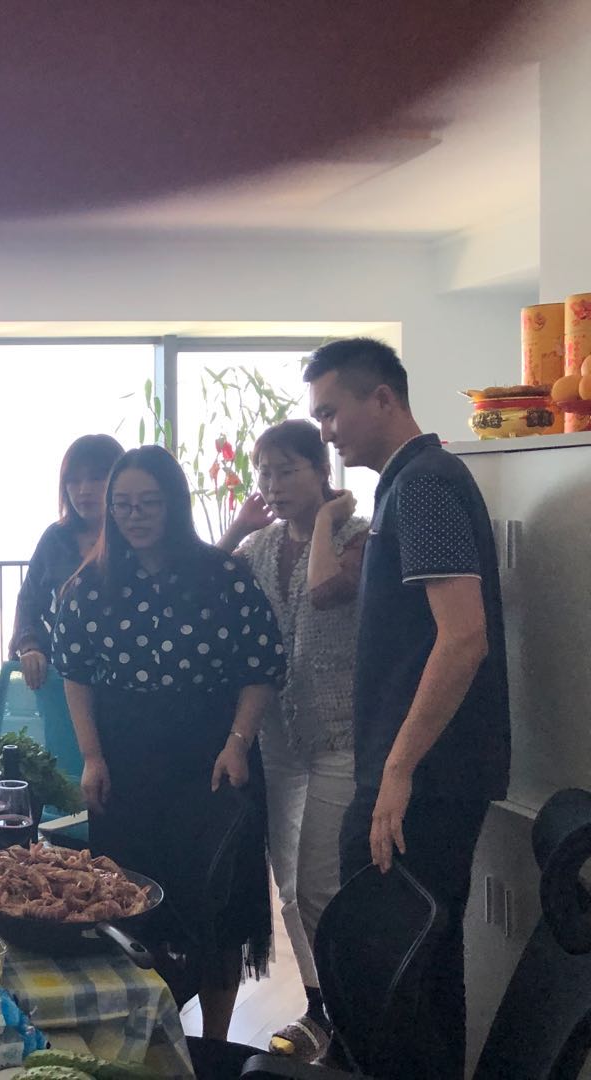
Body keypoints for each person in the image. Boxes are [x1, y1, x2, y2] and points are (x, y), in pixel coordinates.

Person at [305, 338, 508, 1080]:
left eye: (332, 411)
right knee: (421, 971)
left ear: (383, 398)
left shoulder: (423, 484)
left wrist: (397, 770)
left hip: (424, 777)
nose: (326, 430)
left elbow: (464, 638)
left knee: (393, 971)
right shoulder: (408, 484)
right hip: (420, 771)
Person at [54, 444, 282, 1041]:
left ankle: (215, 1043)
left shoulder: (224, 575)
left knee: (217, 902)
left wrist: (238, 742)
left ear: (174, 504)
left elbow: (261, 667)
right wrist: (91, 756)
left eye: (149, 503)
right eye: (123, 504)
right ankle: (149, 1036)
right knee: (130, 899)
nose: (135, 515)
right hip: (126, 762)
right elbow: (75, 675)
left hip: (213, 756)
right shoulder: (89, 585)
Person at [217, 420, 368, 1061]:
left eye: (287, 471)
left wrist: (328, 519)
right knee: (286, 883)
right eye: (265, 473)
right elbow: (204, 581)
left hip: (341, 731)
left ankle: (352, 1014)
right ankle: (318, 1007)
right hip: (277, 732)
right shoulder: (261, 546)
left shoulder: (359, 536)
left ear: (321, 470)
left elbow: (326, 591)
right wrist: (237, 528)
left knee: (320, 883)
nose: (273, 485)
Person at [10, 434, 125, 690]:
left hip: (125, 678)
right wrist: (29, 646)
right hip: (63, 675)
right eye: (73, 480)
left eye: (96, 478)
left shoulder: (133, 536)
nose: (84, 490)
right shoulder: (56, 538)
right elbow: (28, 600)